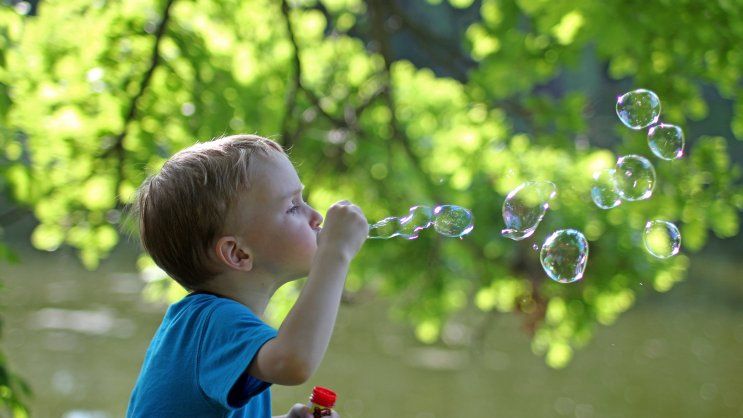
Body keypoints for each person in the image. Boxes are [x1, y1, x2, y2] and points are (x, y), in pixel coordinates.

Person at [126, 134, 368, 418]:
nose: (315, 216)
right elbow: (293, 363)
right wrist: (335, 254)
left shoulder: (206, 324)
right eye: (292, 206)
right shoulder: (213, 323)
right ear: (238, 254)